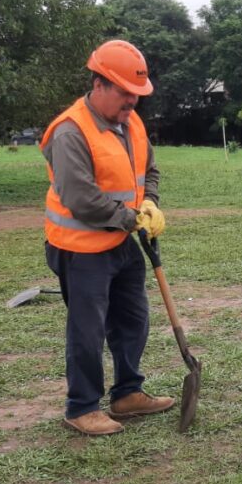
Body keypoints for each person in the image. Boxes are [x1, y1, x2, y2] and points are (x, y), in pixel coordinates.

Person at [40, 39, 174, 436]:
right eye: (125, 93)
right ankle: (81, 407)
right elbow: (81, 199)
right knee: (87, 329)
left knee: (133, 318)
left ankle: (127, 393)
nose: (133, 102)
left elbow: (149, 169)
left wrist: (149, 202)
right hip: (78, 248)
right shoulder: (70, 132)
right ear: (98, 84)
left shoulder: (131, 123)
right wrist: (131, 219)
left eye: (137, 95)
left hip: (120, 241)